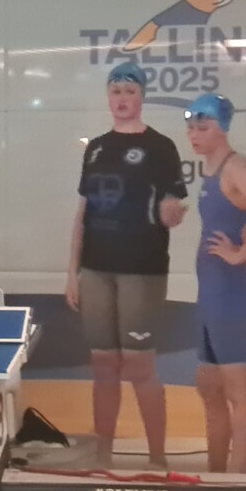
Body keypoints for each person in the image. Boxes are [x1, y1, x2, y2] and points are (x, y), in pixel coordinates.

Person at [64, 62, 188, 468]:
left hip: (141, 269)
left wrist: (171, 213)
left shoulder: (160, 147)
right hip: (96, 269)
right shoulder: (97, 147)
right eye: (115, 91)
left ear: (142, 97)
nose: (122, 98)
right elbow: (83, 212)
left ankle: (157, 457)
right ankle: (103, 455)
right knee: (103, 365)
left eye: (130, 91)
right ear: (108, 96)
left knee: (139, 365)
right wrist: (72, 272)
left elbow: (172, 204)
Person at [186, 93, 246, 473]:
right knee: (209, 387)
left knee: (235, 388)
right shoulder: (212, 171)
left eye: (203, 126)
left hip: (227, 292)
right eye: (191, 127)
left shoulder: (237, 168)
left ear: (223, 128)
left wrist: (241, 252)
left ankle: (239, 479)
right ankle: (215, 474)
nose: (194, 134)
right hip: (209, 291)